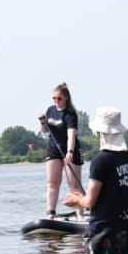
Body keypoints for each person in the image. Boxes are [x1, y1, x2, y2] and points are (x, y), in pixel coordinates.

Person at [64, 107, 128, 254]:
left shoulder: (100, 161)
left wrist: (76, 200)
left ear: (100, 133)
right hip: (126, 232)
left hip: (106, 235)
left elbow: (90, 201)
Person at [39, 82, 84, 219]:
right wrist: (42, 121)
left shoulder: (70, 115)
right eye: (54, 98)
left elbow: (71, 136)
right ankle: (51, 213)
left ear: (66, 98)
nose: (56, 101)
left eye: (59, 98)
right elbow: (44, 131)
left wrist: (70, 152)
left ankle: (80, 215)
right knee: (52, 183)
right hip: (54, 150)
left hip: (70, 150)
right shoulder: (50, 110)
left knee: (74, 184)